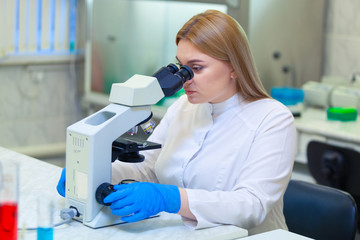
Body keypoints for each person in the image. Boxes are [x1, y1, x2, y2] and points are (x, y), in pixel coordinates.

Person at [57, 10, 295, 235]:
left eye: (196, 68)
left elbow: (251, 206)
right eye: (181, 67)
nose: (184, 80)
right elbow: (148, 168)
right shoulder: (183, 107)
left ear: (234, 67)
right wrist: (95, 173)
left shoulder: (273, 119)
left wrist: (171, 198)